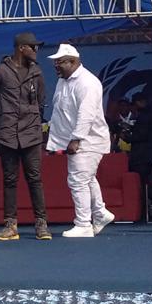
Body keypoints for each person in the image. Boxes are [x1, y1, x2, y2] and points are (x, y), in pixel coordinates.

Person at [0, 32, 52, 241]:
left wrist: (33, 120)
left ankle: (41, 223)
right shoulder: (0, 72)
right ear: (21, 48)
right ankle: (10, 225)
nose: (36, 51)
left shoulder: (37, 73)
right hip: (8, 133)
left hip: (31, 133)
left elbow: (40, 101)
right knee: (10, 179)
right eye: (33, 47)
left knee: (35, 179)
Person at [46, 44, 114, 238]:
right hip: (75, 140)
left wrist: (76, 139)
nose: (56, 66)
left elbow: (87, 114)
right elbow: (61, 112)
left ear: (73, 62)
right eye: (55, 62)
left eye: (60, 62)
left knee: (77, 181)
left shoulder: (87, 83)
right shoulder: (63, 81)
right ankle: (100, 213)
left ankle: (83, 224)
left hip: (88, 141)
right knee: (87, 179)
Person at [121, 92, 152, 220]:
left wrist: (126, 137)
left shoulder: (144, 116)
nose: (134, 107)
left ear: (140, 102)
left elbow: (141, 136)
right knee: (149, 182)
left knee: (143, 184)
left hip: (142, 156)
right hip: (151, 155)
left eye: (135, 104)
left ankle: (149, 210)